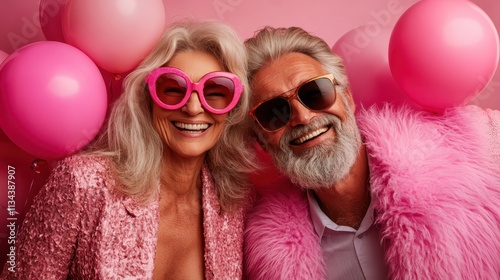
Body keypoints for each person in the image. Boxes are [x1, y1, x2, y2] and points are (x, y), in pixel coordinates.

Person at [1, 20, 256, 279]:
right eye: (172, 89)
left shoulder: (237, 207)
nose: (192, 108)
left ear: (233, 108)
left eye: (215, 92)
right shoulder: (83, 183)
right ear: (148, 100)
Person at [243, 26, 500, 279]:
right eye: (274, 112)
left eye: (315, 93)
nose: (303, 116)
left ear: (348, 98)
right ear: (263, 141)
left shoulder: (467, 162)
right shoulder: (270, 261)